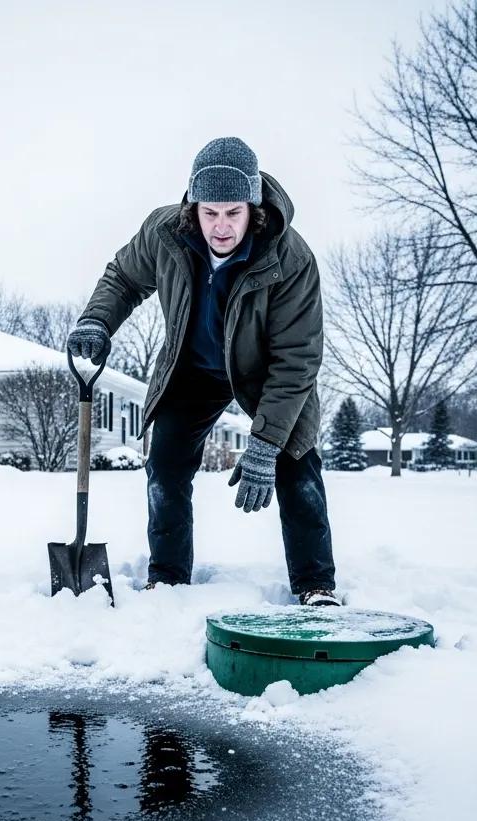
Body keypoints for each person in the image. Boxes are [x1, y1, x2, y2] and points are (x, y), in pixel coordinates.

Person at [67, 137, 339, 607]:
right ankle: (167, 579)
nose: (220, 226)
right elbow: (124, 277)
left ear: (252, 207)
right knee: (166, 467)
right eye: (209, 212)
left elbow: (297, 360)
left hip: (264, 374)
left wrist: (265, 444)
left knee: (296, 465)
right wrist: (97, 319)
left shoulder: (290, 259)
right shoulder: (165, 233)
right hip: (190, 369)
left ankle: (316, 584)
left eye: (233, 212)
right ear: (192, 205)